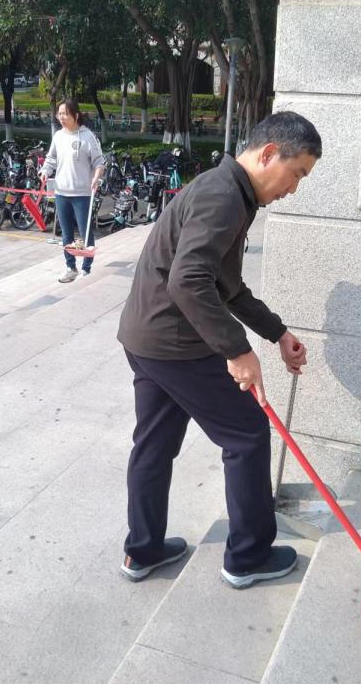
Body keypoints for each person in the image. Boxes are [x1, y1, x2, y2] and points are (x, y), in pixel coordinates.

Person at [116, 111, 321, 588]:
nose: (294, 189)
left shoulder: (229, 191)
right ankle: (247, 557)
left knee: (154, 444)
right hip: (175, 342)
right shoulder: (224, 196)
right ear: (269, 154)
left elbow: (226, 285)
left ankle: (142, 551)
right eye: (296, 173)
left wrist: (276, 332)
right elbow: (189, 281)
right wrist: (237, 351)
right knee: (247, 433)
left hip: (146, 337)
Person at [37, 98, 105, 283]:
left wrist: (96, 177)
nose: (61, 117)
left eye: (65, 114)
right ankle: (70, 267)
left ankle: (86, 269)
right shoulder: (58, 136)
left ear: (75, 115)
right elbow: (51, 158)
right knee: (66, 234)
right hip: (62, 193)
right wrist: (45, 171)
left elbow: (99, 162)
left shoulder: (87, 136)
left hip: (82, 194)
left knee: (85, 233)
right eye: (59, 114)